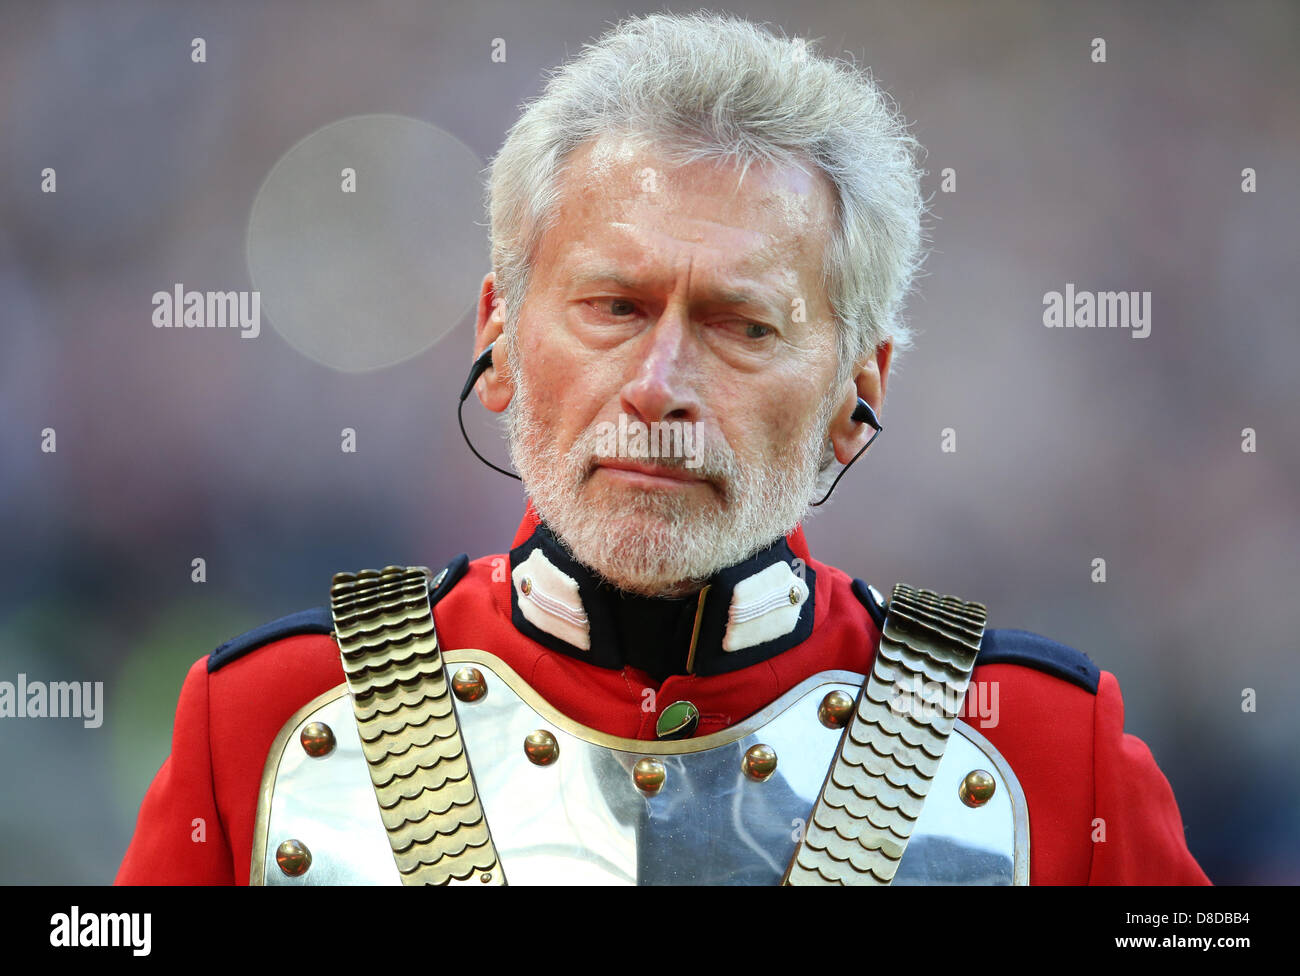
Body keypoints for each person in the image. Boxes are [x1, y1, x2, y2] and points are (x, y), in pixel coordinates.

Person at [116, 11, 1208, 886]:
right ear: (497, 334)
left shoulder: (1050, 753)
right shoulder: (267, 722)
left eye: (742, 325)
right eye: (613, 306)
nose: (658, 385)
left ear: (856, 390)